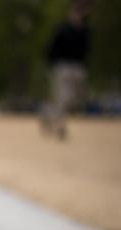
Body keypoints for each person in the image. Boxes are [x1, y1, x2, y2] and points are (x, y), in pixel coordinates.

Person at [41, 1, 91, 140]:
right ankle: (61, 127)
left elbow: (85, 52)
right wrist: (52, 66)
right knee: (62, 97)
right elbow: (51, 49)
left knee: (73, 99)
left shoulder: (85, 31)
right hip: (62, 67)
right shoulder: (62, 30)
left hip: (78, 68)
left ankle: (49, 115)